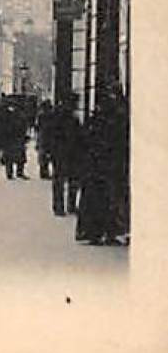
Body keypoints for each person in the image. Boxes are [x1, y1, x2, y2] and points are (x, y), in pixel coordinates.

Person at [76, 87, 128, 245]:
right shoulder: (112, 122)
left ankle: (93, 232)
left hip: (94, 168)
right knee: (106, 200)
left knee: (95, 200)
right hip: (105, 167)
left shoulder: (94, 122)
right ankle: (105, 232)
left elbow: (84, 142)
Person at [47, 98, 81, 217]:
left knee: (59, 181)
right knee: (71, 180)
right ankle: (69, 205)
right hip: (68, 153)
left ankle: (59, 206)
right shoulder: (71, 119)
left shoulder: (56, 118)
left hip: (60, 153)